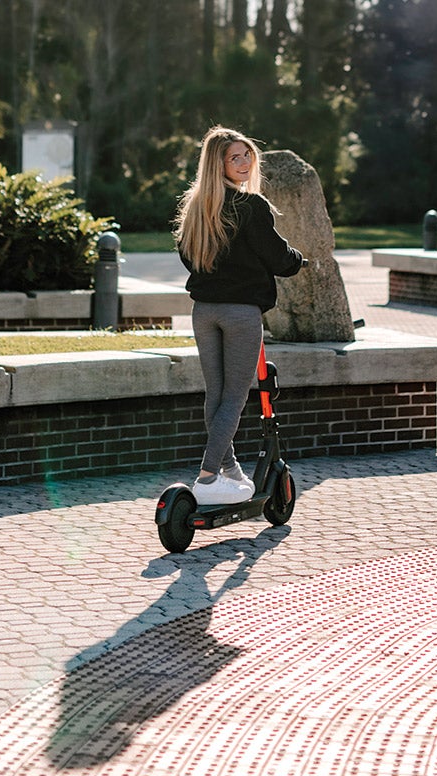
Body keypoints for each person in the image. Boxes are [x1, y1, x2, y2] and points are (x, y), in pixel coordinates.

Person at [174, 125, 306, 505]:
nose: (245, 161)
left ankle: (230, 469)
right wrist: (299, 261)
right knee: (233, 396)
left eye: (247, 154)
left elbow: (187, 256)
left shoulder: (197, 207)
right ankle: (208, 475)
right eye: (235, 157)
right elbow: (278, 257)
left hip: (205, 312)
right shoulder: (252, 206)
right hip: (240, 313)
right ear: (219, 164)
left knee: (215, 394)